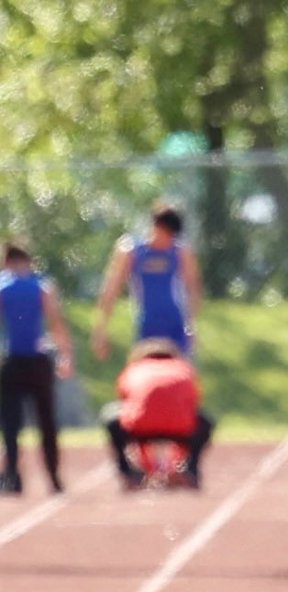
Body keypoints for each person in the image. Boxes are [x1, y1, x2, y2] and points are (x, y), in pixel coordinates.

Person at [0, 240, 73, 494]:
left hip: (13, 361)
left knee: (11, 423)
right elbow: (56, 322)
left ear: (6, 261)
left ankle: (12, 476)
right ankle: (53, 477)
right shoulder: (42, 286)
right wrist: (66, 356)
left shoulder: (3, 287)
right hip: (38, 361)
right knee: (47, 422)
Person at [92, 201, 202, 361]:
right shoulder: (132, 252)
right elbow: (111, 289)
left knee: (179, 379)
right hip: (147, 326)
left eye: (173, 235)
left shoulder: (181, 252)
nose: (169, 240)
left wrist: (191, 324)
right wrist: (101, 329)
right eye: (167, 233)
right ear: (155, 227)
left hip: (176, 327)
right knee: (146, 378)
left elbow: (193, 289)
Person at [102, 338, 214, 488]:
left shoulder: (133, 370)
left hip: (139, 426)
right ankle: (190, 469)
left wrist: (147, 467)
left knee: (111, 417)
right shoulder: (185, 369)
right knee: (205, 421)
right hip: (180, 426)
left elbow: (126, 401)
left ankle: (127, 472)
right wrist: (177, 463)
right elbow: (193, 402)